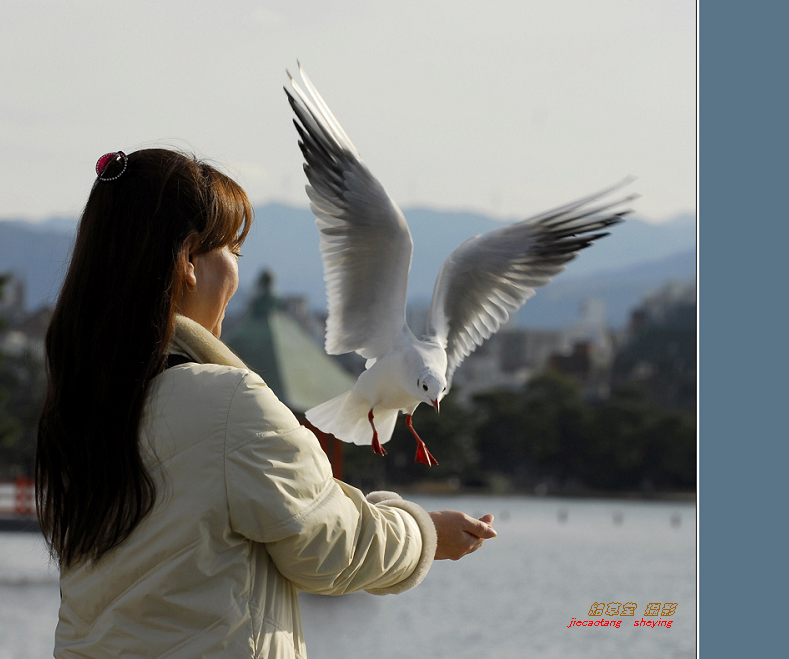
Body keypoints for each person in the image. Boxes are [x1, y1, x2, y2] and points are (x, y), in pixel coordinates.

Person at [36, 148, 497, 658]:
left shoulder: (78, 405)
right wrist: (422, 532)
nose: (236, 272)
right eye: (233, 250)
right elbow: (329, 546)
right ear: (189, 260)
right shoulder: (227, 402)